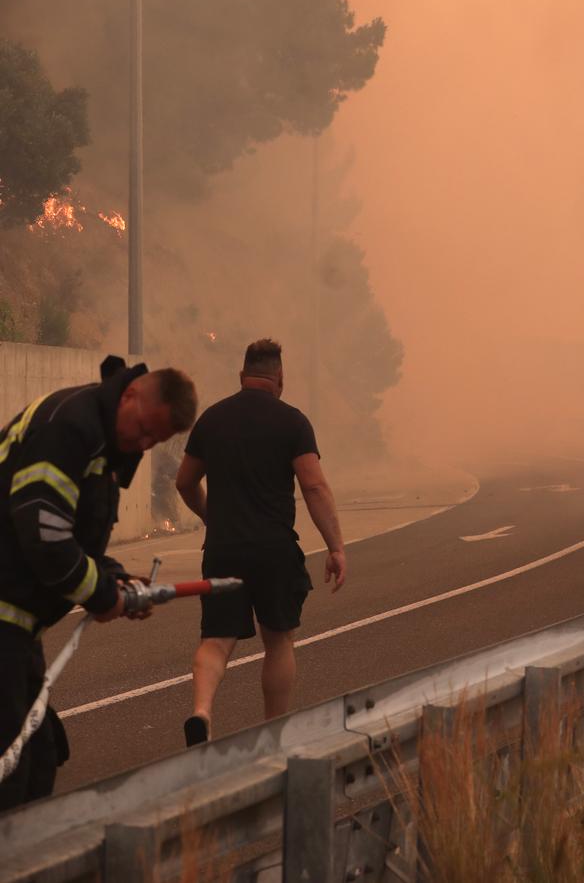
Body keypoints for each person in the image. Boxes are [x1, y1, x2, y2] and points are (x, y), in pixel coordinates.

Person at [0, 356, 197, 809]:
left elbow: (70, 540)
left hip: (16, 628)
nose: (143, 444)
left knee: (39, 757)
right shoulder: (71, 430)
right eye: (144, 429)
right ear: (129, 396)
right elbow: (46, 535)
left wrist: (114, 577)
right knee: (11, 772)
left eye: (155, 440)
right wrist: (103, 594)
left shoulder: (100, 445)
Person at [175, 339, 346, 746]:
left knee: (215, 641)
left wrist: (210, 518)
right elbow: (314, 485)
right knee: (279, 637)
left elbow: (184, 482)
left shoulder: (212, 420)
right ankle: (272, 732)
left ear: (242, 376)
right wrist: (336, 546)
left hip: (223, 548)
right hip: (274, 549)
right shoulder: (292, 422)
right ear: (280, 378)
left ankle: (201, 713)